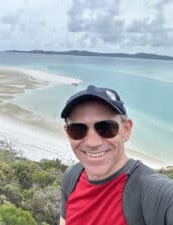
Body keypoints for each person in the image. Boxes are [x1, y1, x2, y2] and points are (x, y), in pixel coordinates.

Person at [59, 85, 173, 225]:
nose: (92, 142)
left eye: (106, 128)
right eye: (77, 129)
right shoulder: (71, 177)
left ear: (125, 130)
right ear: (67, 133)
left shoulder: (154, 192)